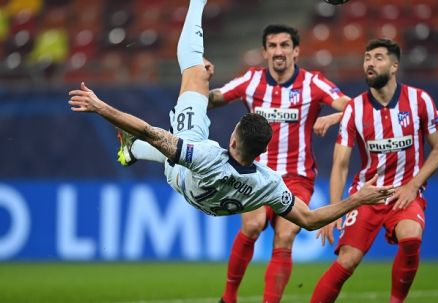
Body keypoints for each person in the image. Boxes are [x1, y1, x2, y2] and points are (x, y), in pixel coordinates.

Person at [68, 0, 393, 245]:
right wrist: (358, 199)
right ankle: (133, 152)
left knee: (193, 74)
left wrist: (100, 106)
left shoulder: (208, 154)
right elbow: (308, 220)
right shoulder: (268, 182)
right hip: (205, 199)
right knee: (159, 145)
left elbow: (150, 131)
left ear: (233, 141)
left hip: (188, 173)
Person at [119, 23, 350, 303]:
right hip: (255, 174)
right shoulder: (251, 81)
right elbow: (214, 99)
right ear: (264, 52)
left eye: (285, 45)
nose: (279, 51)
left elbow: (354, 107)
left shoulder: (314, 83)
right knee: (252, 227)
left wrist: (333, 117)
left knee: (286, 235)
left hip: (297, 175)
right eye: (273, 46)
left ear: (296, 50)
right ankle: (228, 298)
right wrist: (202, 81)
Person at [310, 39, 438, 303]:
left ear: (394, 65)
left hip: (405, 192)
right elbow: (340, 164)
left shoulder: (420, 101)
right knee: (347, 261)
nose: (370, 63)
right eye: (367, 58)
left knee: (411, 238)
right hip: (367, 195)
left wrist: (413, 184)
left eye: (378, 58)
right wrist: (334, 209)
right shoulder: (354, 110)